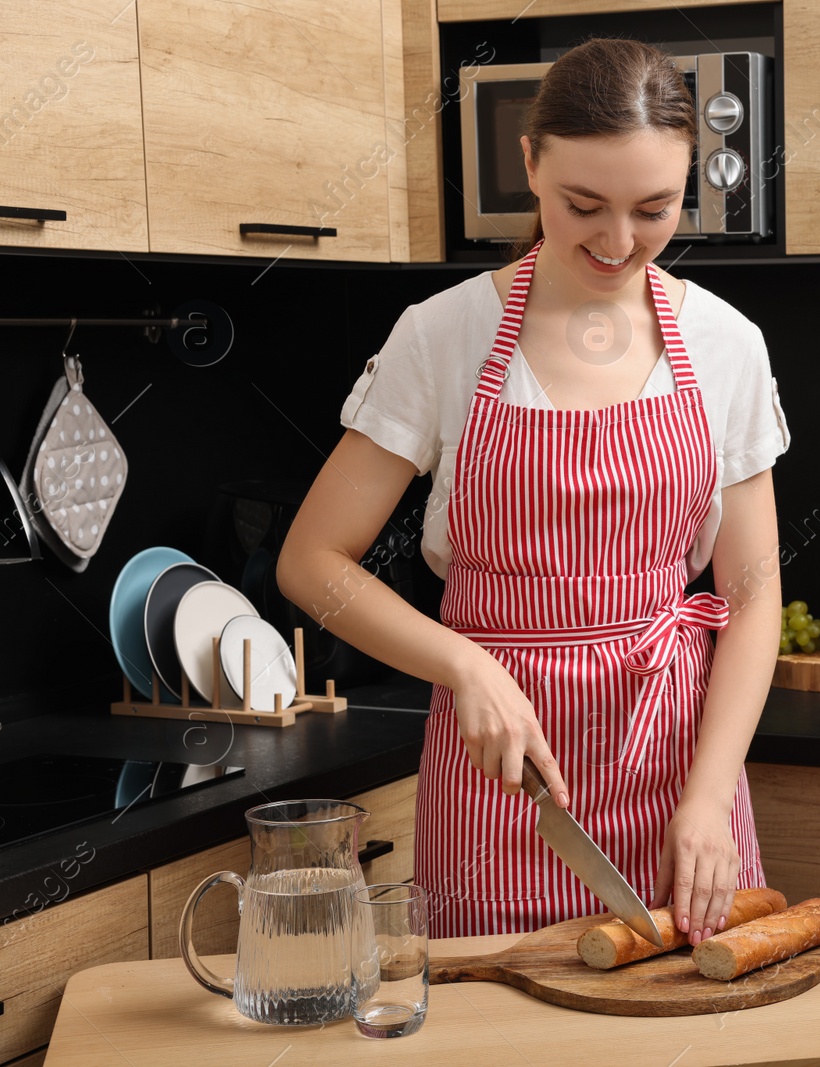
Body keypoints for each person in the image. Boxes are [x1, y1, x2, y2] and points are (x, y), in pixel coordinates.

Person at [279, 38, 790, 944]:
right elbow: (312, 561)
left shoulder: (725, 345)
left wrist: (709, 797)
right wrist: (464, 662)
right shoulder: (443, 336)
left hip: (677, 769)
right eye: (582, 206)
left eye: (655, 208)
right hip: (497, 781)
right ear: (529, 163)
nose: (618, 242)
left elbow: (752, 598)